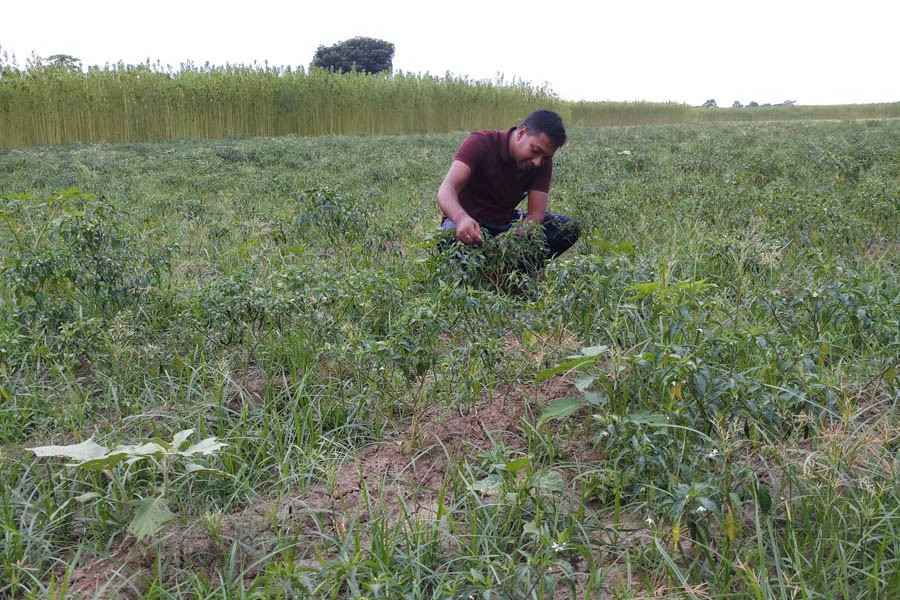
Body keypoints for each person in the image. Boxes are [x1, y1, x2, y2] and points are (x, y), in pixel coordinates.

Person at [437, 109, 579, 260]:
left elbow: (536, 215)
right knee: (450, 238)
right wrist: (461, 219)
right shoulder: (481, 142)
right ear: (521, 133)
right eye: (535, 150)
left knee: (566, 228)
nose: (538, 162)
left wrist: (511, 239)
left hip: (506, 225)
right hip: (469, 223)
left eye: (545, 157)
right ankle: (490, 271)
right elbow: (446, 189)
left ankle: (513, 272)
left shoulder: (542, 163)